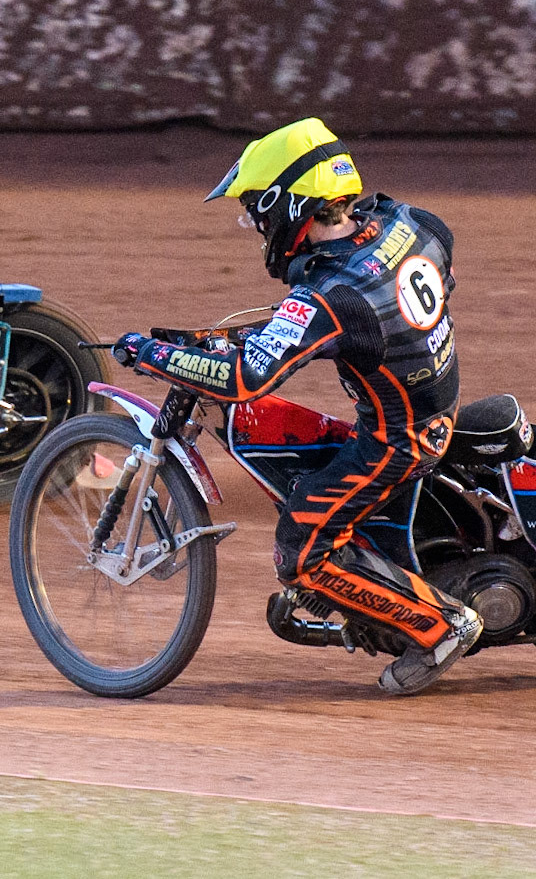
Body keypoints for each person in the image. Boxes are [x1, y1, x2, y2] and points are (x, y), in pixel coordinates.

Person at [111, 118, 483, 694]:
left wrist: (148, 352)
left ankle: (441, 625)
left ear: (287, 206)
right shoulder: (415, 223)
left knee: (300, 550)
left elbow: (242, 380)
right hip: (433, 397)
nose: (255, 226)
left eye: (256, 211)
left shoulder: (331, 296)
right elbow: (417, 294)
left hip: (399, 438)